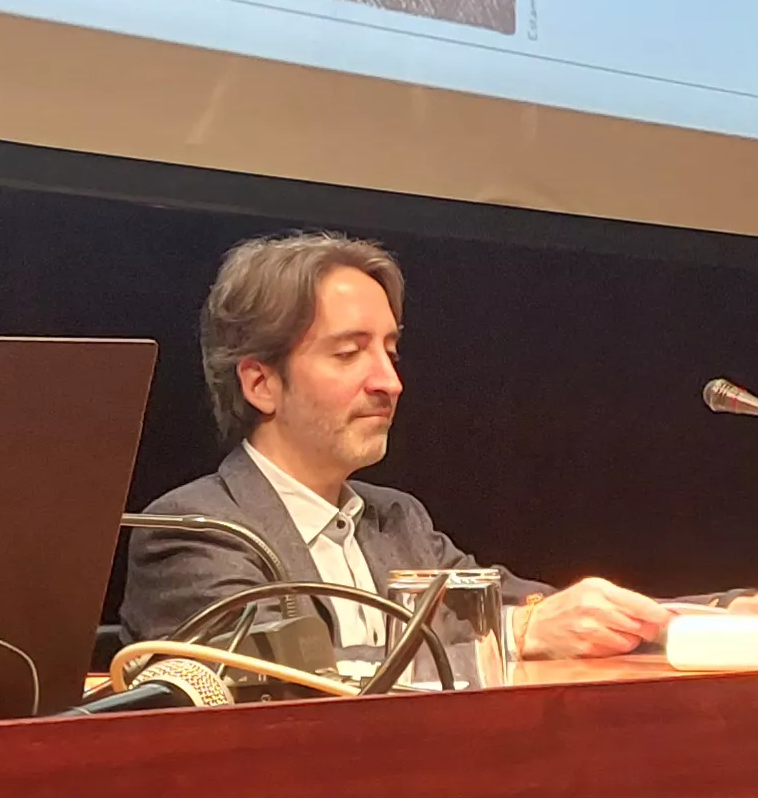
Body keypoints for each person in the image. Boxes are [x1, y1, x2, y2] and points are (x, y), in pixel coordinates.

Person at [122, 231, 682, 679]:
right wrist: (517, 634)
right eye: (349, 353)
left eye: (390, 352)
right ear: (260, 384)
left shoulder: (396, 519)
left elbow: (536, 607)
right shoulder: (195, 531)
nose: (389, 382)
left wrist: (701, 618)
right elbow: (280, 683)